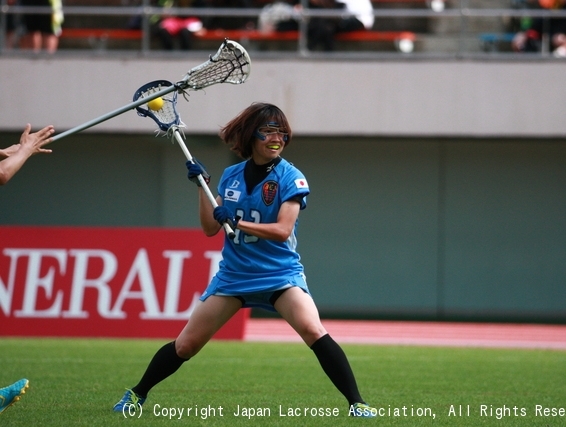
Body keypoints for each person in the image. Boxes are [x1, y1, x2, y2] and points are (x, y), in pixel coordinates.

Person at [112, 102, 375, 417]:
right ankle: (136, 395)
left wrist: (236, 222)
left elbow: (281, 230)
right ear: (252, 135)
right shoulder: (231, 176)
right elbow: (211, 228)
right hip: (235, 276)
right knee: (185, 346)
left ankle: (357, 404)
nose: (277, 138)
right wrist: (203, 188)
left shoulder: (292, 177)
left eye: (282, 132)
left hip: (279, 275)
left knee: (313, 330)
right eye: (268, 131)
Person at [274, 0, 374, 51]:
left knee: (324, 25)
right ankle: (323, 52)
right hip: (338, 19)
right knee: (324, 26)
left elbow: (340, 10)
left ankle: (310, 49)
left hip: (357, 19)